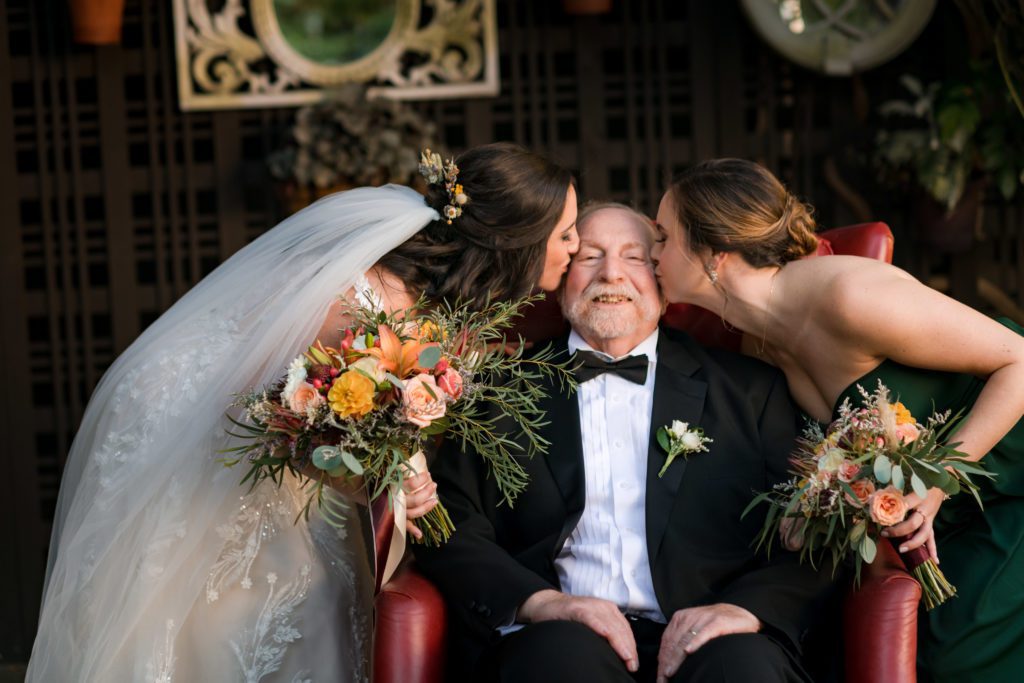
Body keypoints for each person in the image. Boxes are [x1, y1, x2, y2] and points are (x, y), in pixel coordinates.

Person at [26, 142, 580, 683]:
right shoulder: (370, 303)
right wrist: (389, 478)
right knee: (229, 617)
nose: (577, 246)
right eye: (566, 233)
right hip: (222, 455)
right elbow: (289, 423)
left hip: (283, 464)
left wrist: (398, 471)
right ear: (517, 240)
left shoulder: (446, 309)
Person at [413, 203, 833, 683]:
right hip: (558, 637)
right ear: (561, 278)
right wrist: (543, 603)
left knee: (744, 670)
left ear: (664, 280)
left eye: (634, 258)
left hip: (719, 636)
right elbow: (450, 525)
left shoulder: (752, 391)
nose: (611, 274)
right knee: (556, 665)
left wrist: (745, 611)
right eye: (589, 257)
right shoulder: (498, 391)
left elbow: (819, 526)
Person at [652, 158, 1024, 682]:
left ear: (715, 254)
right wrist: (814, 507)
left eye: (663, 237)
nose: (651, 254)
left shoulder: (848, 297)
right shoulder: (757, 343)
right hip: (950, 516)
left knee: (960, 650)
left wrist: (938, 480)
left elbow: (1020, 361)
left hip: (1009, 473)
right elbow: (844, 451)